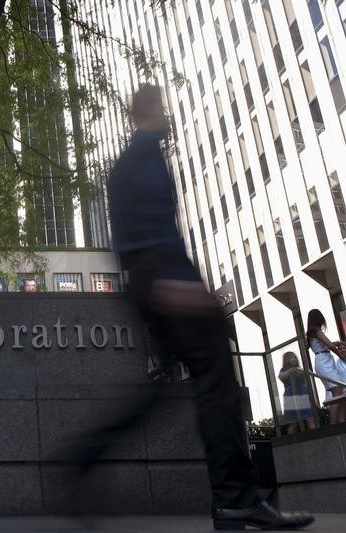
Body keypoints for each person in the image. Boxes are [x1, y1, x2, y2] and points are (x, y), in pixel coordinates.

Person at [63, 84, 313, 530]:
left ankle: (83, 456)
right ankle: (235, 496)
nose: (168, 115)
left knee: (161, 390)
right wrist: (176, 284)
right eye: (162, 107)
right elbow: (151, 230)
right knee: (216, 376)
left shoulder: (127, 164)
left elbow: (126, 237)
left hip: (149, 281)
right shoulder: (142, 160)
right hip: (164, 277)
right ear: (148, 111)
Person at [307, 309, 346, 424]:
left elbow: (326, 344)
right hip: (324, 361)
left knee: (337, 392)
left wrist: (336, 344)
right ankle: (334, 423)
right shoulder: (317, 330)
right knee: (338, 391)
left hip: (323, 360)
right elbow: (330, 346)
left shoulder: (312, 332)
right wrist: (343, 357)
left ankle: (341, 420)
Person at [278, 352, 317, 433]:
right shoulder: (284, 370)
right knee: (294, 423)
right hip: (291, 396)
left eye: (294, 357)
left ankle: (317, 438)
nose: (293, 359)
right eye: (290, 357)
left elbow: (309, 375)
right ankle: (292, 443)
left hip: (303, 395)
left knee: (310, 418)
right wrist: (292, 370)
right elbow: (281, 376)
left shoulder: (300, 369)